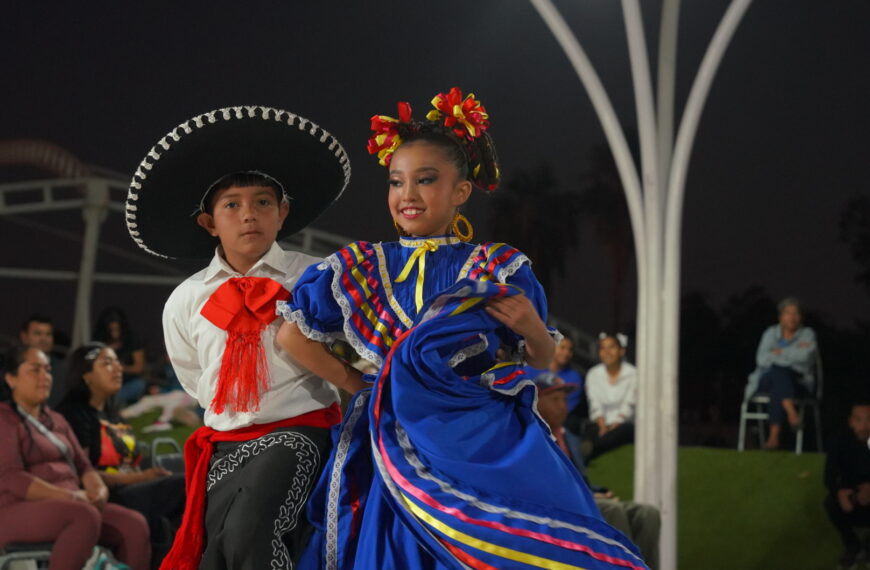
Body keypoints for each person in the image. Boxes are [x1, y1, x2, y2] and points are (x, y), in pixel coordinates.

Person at [278, 88, 645, 569]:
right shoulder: (359, 266)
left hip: (481, 435)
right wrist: (364, 385)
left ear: (461, 192)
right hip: (391, 432)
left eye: (425, 180)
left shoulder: (499, 266)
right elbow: (291, 335)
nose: (407, 195)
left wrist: (533, 327)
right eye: (396, 182)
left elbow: (537, 359)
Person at [125, 105, 351, 569]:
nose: (249, 215)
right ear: (209, 222)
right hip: (225, 445)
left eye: (263, 202)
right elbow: (193, 378)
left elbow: (354, 343)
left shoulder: (315, 276)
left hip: (299, 432)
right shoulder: (185, 299)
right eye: (232, 205)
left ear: (283, 212)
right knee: (220, 552)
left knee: (252, 533)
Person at [0, 345, 150, 570]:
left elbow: (84, 466)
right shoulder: (5, 419)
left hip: (71, 503)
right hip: (16, 509)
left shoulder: (57, 420)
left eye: (48, 370)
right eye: (35, 370)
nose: (44, 377)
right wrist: (69, 496)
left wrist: (99, 490)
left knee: (134, 524)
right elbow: (12, 478)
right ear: (11, 379)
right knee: (83, 515)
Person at [57, 342, 186, 563]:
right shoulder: (74, 415)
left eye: (117, 362)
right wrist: (141, 477)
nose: (117, 369)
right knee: (186, 484)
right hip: (109, 496)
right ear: (85, 375)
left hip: (136, 488)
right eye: (107, 363)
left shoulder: (113, 414)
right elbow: (83, 473)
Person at [534, 371, 659, 569]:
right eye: (555, 399)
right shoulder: (532, 437)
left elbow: (581, 481)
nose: (562, 406)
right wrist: (589, 498)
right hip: (558, 507)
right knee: (612, 511)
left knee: (647, 514)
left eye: (565, 399)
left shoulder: (571, 439)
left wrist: (598, 492)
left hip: (584, 501)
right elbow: (544, 486)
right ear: (536, 402)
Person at [745, 296, 818, 449]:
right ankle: (792, 413)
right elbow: (761, 359)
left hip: (797, 381)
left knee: (778, 377)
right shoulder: (770, 333)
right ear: (780, 317)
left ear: (800, 317)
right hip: (766, 379)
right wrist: (794, 352)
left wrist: (778, 353)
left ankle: (773, 437)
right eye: (788, 313)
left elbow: (805, 357)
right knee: (778, 373)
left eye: (795, 313)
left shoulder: (808, 334)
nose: (792, 317)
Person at [824, 402, 870, 568]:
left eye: (869, 420)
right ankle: (852, 545)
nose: (864, 426)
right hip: (852, 494)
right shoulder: (839, 440)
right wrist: (839, 493)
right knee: (831, 503)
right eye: (859, 420)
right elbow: (829, 475)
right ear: (851, 421)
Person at [585, 333, 637, 459]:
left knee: (627, 430)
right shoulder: (593, 374)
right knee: (589, 429)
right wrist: (602, 425)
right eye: (603, 348)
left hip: (624, 425)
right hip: (600, 424)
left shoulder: (633, 373)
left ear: (621, 351)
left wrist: (616, 424)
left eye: (612, 347)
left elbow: (629, 405)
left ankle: (593, 451)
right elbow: (594, 403)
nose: (607, 352)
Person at [94, 306, 147, 405]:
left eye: (117, 330)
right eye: (111, 330)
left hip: (126, 383)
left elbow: (139, 368)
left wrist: (121, 367)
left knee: (139, 385)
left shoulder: (133, 340)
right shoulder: (101, 342)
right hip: (105, 382)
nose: (115, 334)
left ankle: (111, 403)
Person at [19, 314, 66, 407]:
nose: (44, 339)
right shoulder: (10, 367)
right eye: (38, 333)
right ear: (24, 337)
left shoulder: (64, 371)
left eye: (48, 334)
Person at [549, 336, 587, 433]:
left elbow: (566, 408)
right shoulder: (532, 368)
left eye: (570, 350)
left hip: (559, 424)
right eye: (562, 348)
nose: (566, 353)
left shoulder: (575, 378)